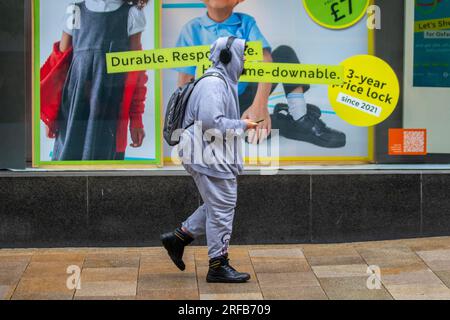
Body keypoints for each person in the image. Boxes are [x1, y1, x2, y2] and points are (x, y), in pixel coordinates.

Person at [174, 0, 346, 147]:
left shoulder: (246, 23)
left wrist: (259, 106)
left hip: (245, 97)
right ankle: (281, 121)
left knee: (284, 53)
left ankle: (299, 116)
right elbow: (185, 80)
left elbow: (266, 61)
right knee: (251, 136)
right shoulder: (191, 29)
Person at [161, 37, 258, 283]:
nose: (245, 59)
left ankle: (179, 237)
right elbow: (211, 123)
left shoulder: (220, 81)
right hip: (206, 154)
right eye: (242, 54)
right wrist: (243, 124)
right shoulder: (214, 84)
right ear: (228, 57)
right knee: (222, 207)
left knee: (218, 204)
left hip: (208, 153)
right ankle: (217, 265)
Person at [41, 0, 149, 161]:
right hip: (74, 104)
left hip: (109, 106)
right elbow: (58, 65)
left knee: (104, 166)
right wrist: (52, 115)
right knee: (66, 163)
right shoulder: (75, 10)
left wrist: (136, 119)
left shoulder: (132, 13)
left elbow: (136, 72)